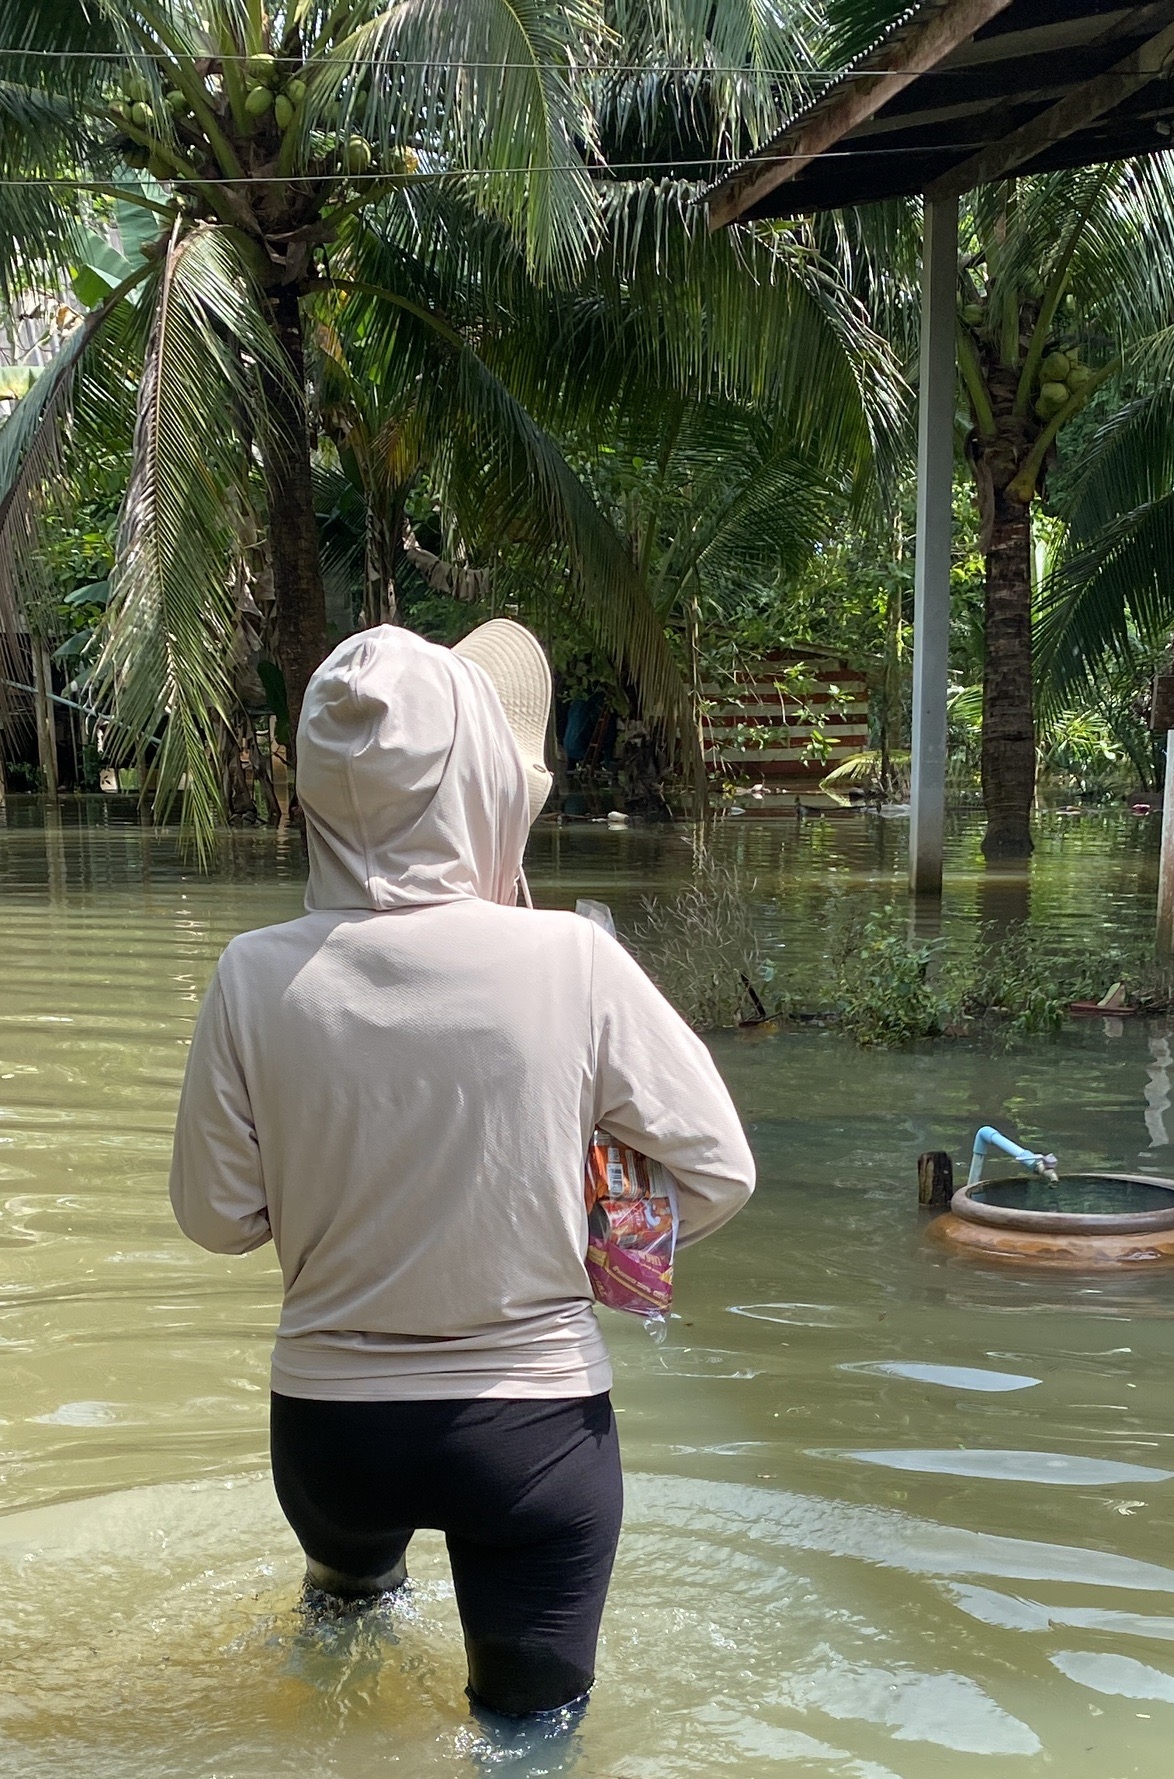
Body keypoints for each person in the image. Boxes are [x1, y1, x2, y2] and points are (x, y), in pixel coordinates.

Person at [170, 621, 755, 1722]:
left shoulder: (252, 975)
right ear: (484, 774)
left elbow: (215, 1217)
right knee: (528, 1748)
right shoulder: (573, 959)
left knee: (342, 1638)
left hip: (332, 1435)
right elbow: (719, 1171)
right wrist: (596, 1233)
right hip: (534, 1434)